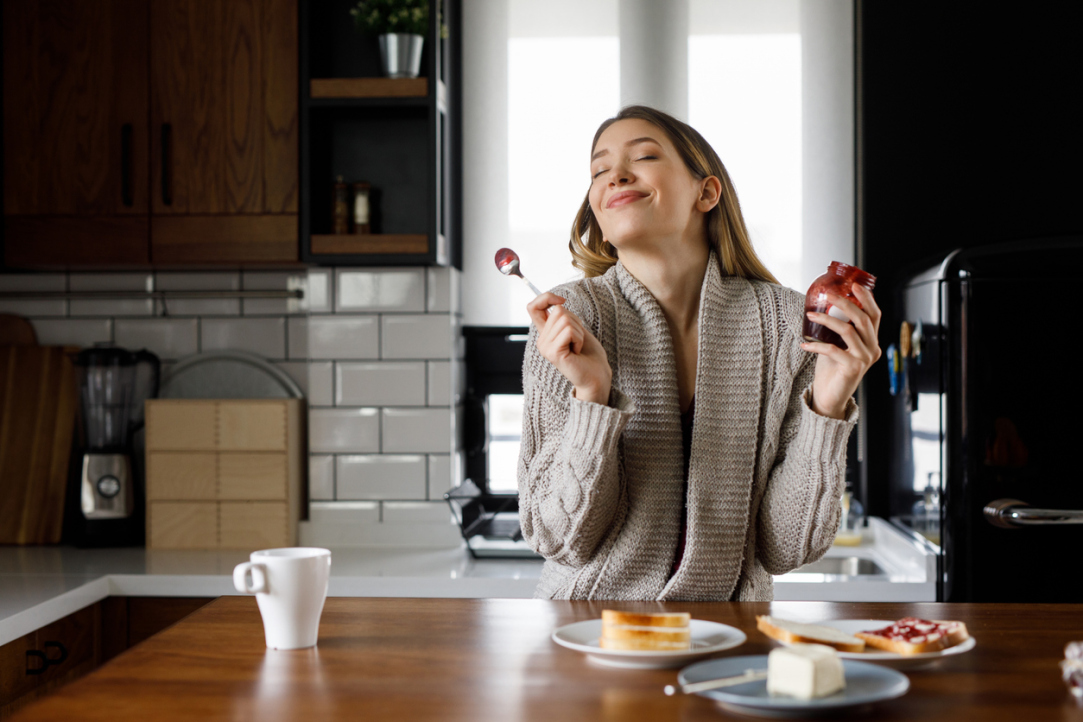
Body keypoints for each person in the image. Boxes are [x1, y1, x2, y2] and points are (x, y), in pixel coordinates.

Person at [517, 106, 881, 601]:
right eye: (599, 171)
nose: (615, 175)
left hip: (728, 641)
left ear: (706, 192)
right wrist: (592, 394)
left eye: (643, 156)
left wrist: (830, 403)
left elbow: (786, 547)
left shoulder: (787, 325)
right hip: (588, 638)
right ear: (600, 216)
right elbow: (556, 537)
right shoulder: (570, 319)